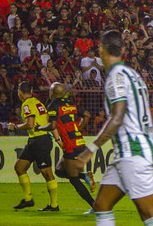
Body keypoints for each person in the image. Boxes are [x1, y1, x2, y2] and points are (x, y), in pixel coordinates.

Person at [70, 30, 153, 225]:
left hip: (133, 152)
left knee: (149, 213)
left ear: (101, 51)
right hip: (130, 150)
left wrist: (91, 150)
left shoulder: (115, 77)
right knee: (102, 205)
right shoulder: (133, 75)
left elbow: (118, 117)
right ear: (122, 50)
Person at [42, 82, 96, 213]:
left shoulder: (53, 105)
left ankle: (96, 206)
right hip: (79, 142)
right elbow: (87, 115)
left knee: (73, 179)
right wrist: (78, 128)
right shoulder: (71, 104)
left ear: (53, 93)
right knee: (59, 171)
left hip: (70, 145)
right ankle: (85, 176)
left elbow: (52, 125)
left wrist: (39, 128)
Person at [8, 82, 60, 211]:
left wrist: (15, 127)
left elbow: (30, 124)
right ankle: (28, 199)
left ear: (19, 92)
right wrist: (58, 139)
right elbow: (48, 120)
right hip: (35, 141)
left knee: (47, 173)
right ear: (31, 91)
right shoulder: (38, 103)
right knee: (19, 167)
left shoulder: (26, 105)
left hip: (40, 140)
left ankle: (54, 205)